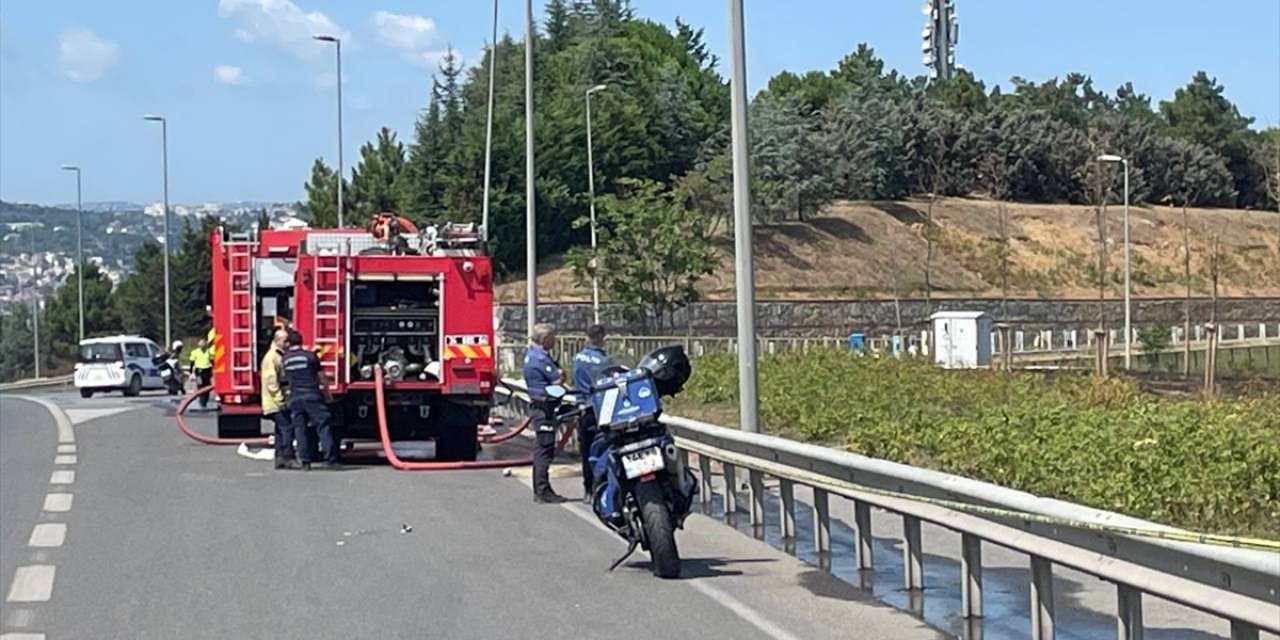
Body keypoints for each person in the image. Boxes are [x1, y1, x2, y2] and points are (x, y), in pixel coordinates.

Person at [281, 330, 338, 470]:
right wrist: (327, 393)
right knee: (323, 425)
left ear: (288, 343)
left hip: (295, 397)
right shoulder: (310, 356)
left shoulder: (285, 359)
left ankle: (305, 461)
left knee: (300, 429)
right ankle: (330, 459)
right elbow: (321, 377)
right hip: (311, 395)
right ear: (301, 341)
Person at [523, 323, 566, 503]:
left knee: (544, 449)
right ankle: (541, 491)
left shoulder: (530, 355)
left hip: (540, 406)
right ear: (544, 339)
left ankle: (543, 488)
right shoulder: (540, 359)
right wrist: (561, 375)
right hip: (544, 408)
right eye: (552, 338)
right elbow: (557, 379)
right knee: (544, 450)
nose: (554, 342)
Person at [572, 324, 614, 502]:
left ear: (586, 336)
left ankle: (588, 489)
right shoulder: (604, 361)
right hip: (602, 408)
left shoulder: (577, 357)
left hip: (583, 408)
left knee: (586, 451)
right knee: (606, 448)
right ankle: (603, 486)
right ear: (601, 338)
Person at [261, 328, 299, 470]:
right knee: (287, 428)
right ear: (277, 341)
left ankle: (280, 457)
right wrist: (280, 400)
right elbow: (271, 382)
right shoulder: (272, 357)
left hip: (276, 400)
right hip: (275, 402)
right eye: (285, 341)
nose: (288, 343)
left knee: (279, 430)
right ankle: (288, 457)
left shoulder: (279, 355)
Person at [189, 339, 215, 409]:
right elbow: (192, 363)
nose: (202, 347)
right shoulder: (195, 352)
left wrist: (213, 370)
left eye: (204, 345)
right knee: (200, 385)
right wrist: (191, 372)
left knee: (207, 386)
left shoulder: (208, 352)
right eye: (201, 345)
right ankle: (201, 400)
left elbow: (212, 361)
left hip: (207, 370)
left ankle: (205, 400)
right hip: (199, 371)